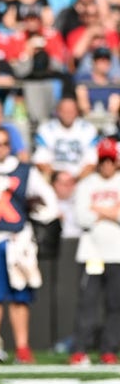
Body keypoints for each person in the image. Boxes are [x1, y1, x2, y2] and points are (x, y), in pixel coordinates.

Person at [0, 127, 58, 364]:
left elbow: (51, 202)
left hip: (18, 240)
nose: (0, 148)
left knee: (20, 297)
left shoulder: (26, 171)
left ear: (10, 145)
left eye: (4, 144)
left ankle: (22, 348)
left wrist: (38, 215)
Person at [69, 139, 120, 365]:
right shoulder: (87, 184)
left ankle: (108, 349)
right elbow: (82, 218)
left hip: (117, 255)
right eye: (103, 160)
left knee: (115, 305)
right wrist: (112, 212)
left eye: (111, 160)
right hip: (92, 254)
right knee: (87, 303)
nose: (107, 165)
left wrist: (100, 211)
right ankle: (80, 349)